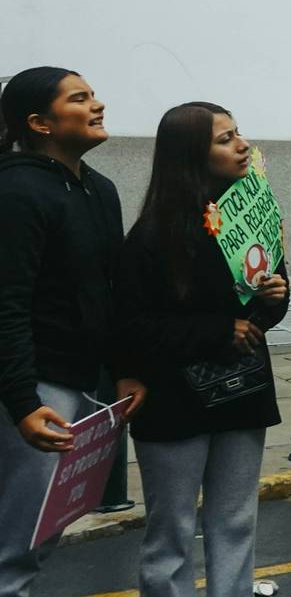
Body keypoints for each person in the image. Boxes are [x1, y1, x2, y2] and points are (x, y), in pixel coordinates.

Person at [113, 103, 288, 597]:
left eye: (239, 133)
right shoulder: (151, 236)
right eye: (225, 139)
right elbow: (132, 326)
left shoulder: (250, 217)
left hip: (242, 392)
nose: (242, 145)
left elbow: (269, 303)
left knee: (235, 521)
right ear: (190, 154)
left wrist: (273, 298)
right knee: (170, 531)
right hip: (174, 402)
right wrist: (218, 331)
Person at [0, 68, 142, 594]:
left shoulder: (99, 188)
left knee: (43, 530)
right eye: (79, 99)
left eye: (93, 95)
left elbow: (112, 289)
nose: (97, 105)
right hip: (36, 387)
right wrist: (23, 402)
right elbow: (7, 302)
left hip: (83, 384)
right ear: (40, 123)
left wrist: (125, 369)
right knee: (18, 541)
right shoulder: (16, 190)